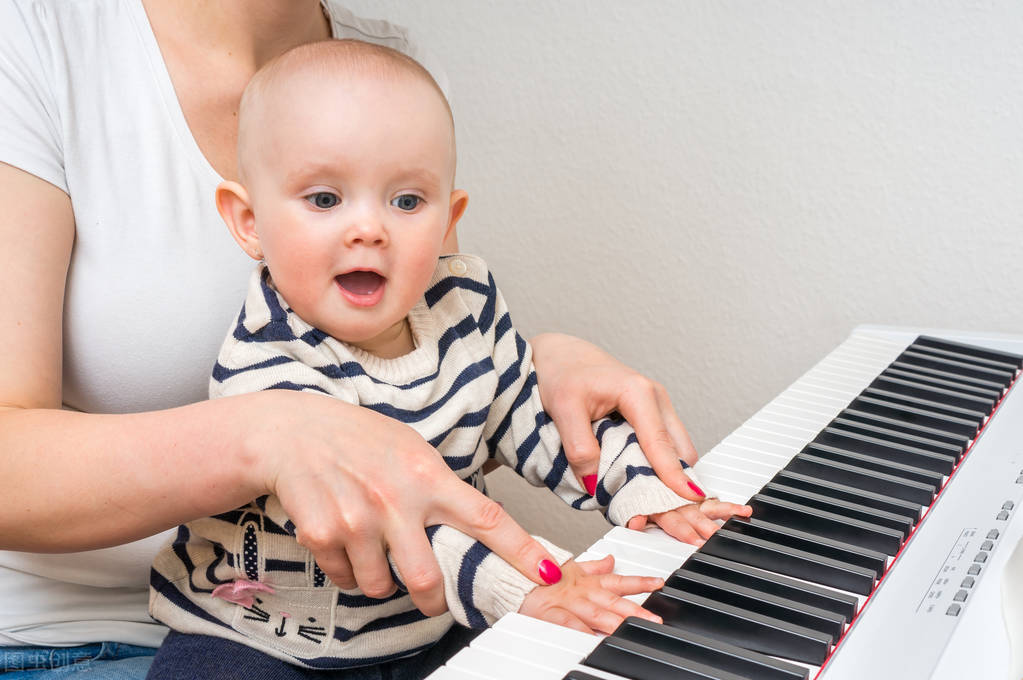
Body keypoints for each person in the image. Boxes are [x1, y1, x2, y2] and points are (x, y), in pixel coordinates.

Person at [0, 1, 715, 677]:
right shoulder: (265, 354)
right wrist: (524, 585)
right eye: (322, 199)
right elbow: (391, 501)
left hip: (409, 625)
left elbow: (468, 436)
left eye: (406, 201)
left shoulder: (378, 68)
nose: (369, 228)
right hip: (223, 637)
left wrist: (640, 488)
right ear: (245, 222)